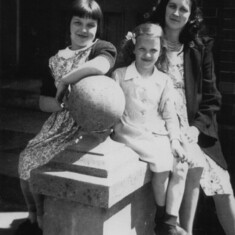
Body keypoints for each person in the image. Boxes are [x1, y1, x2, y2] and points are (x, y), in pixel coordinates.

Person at [17, 0, 117, 233]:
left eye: (90, 24)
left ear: (97, 28)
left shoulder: (100, 49)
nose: (83, 29)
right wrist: (65, 103)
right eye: (78, 22)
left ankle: (46, 217)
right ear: (69, 25)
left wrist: (66, 79)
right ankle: (35, 213)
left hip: (88, 125)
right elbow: (43, 102)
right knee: (26, 160)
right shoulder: (54, 59)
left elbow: (101, 67)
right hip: (59, 123)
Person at [149, 0, 235, 235]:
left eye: (183, 9)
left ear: (191, 14)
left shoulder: (199, 47)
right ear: (164, 8)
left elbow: (212, 98)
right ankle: (184, 231)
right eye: (172, 6)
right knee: (191, 165)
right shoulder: (149, 40)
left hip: (196, 129)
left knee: (224, 189)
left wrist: (196, 129)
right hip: (161, 125)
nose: (176, 13)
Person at [111, 22, 192, 235]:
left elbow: (169, 115)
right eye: (142, 49)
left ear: (161, 51)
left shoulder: (163, 80)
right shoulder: (120, 75)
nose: (147, 55)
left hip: (156, 134)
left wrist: (174, 140)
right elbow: (112, 111)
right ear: (134, 48)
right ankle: (162, 219)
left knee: (181, 166)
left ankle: (169, 223)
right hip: (131, 133)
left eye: (153, 50)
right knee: (163, 164)